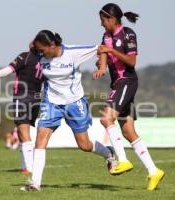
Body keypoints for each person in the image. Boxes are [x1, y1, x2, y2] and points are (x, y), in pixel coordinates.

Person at [20, 30, 116, 192]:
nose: (40, 53)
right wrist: (35, 45)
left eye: (43, 50)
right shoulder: (40, 54)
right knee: (40, 140)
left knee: (84, 145)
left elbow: (102, 48)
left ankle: (108, 153)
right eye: (39, 50)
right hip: (51, 103)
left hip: (74, 103)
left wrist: (103, 67)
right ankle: (35, 184)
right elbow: (32, 47)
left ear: (52, 45)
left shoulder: (73, 52)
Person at [97, 3, 164, 190]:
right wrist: (101, 66)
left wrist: (110, 51)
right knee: (128, 132)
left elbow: (131, 61)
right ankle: (154, 171)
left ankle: (123, 160)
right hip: (117, 83)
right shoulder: (106, 36)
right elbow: (103, 53)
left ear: (111, 19)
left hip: (127, 81)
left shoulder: (128, 34)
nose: (101, 24)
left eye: (102, 20)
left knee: (106, 118)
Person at [0, 46, 44, 175]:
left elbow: (7, 71)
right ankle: (25, 166)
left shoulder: (25, 56)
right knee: (22, 132)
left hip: (23, 97)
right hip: (37, 98)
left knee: (23, 132)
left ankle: (29, 168)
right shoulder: (44, 59)